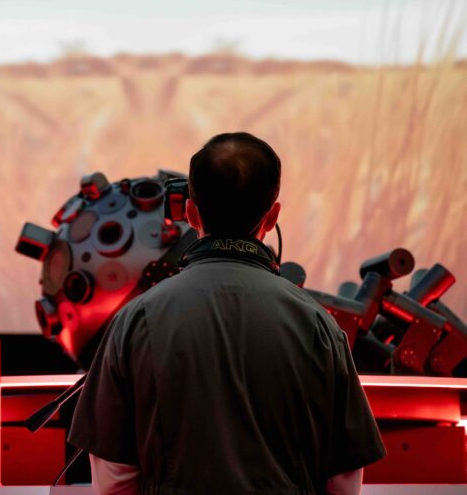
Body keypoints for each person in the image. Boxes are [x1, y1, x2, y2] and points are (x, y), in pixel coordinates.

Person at [68, 132, 386, 494]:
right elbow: (343, 480)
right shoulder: (317, 325)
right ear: (272, 216)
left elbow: (115, 479)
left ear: (190, 212)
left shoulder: (135, 319)